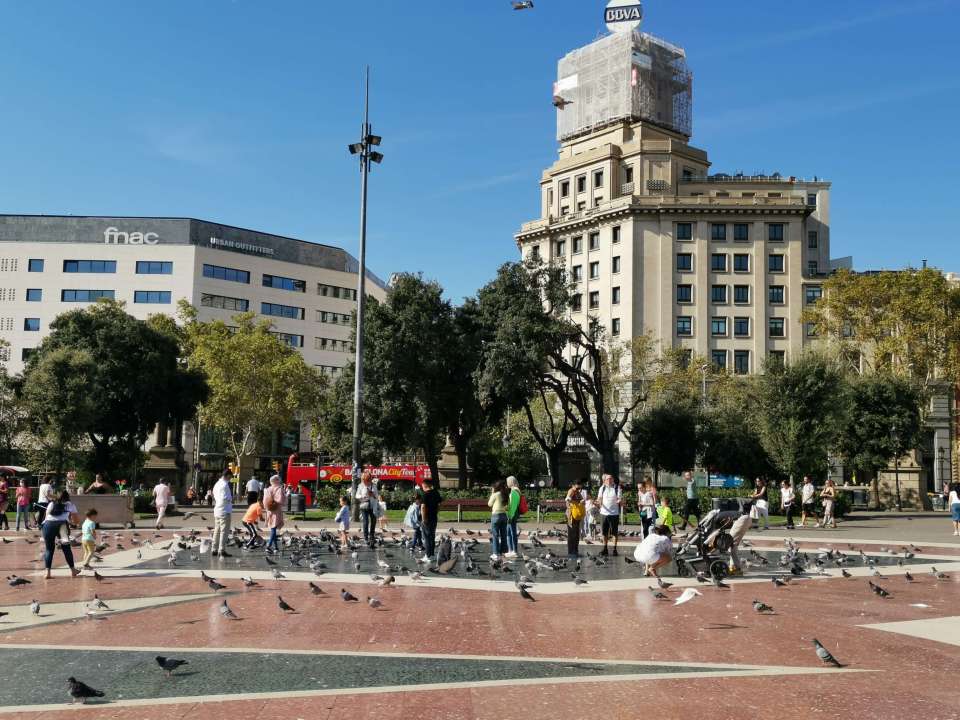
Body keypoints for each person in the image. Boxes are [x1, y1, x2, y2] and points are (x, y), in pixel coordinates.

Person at [41, 490, 81, 579]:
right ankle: (73, 570)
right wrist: (70, 522)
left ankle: (48, 573)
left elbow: (47, 516)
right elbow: (77, 521)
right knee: (66, 548)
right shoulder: (70, 505)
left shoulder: (52, 504)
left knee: (49, 549)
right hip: (62, 526)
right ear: (68, 497)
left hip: (48, 525)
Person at [596, 474, 622, 556]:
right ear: (605, 480)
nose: (609, 480)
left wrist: (619, 501)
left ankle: (614, 549)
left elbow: (619, 498)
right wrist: (599, 502)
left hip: (614, 513)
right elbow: (599, 498)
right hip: (604, 513)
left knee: (614, 532)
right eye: (607, 479)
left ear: (613, 480)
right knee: (604, 532)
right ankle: (605, 548)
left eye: (611, 479)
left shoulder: (617, 488)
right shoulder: (602, 488)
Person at [211, 469, 234, 557]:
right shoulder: (225, 485)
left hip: (217, 510)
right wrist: (231, 499)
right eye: (230, 476)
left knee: (217, 530)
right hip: (224, 510)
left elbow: (214, 495)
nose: (230, 478)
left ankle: (214, 549)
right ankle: (222, 550)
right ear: (227, 475)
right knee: (224, 531)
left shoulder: (217, 484)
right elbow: (225, 498)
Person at [262, 474, 287, 553]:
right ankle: (269, 545)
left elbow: (264, 501)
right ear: (277, 481)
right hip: (276, 510)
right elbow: (281, 500)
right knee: (274, 528)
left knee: (273, 527)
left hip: (269, 510)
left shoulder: (268, 489)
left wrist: (268, 507)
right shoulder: (279, 489)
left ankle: (276, 547)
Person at [487, 480, 510, 561]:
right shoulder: (505, 494)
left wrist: (492, 493)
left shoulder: (496, 494)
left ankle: (495, 553)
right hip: (504, 515)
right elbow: (507, 506)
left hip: (496, 516)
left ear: (496, 487)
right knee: (503, 535)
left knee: (495, 535)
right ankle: (503, 552)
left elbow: (489, 504)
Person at [355, 472, 379, 548]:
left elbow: (377, 496)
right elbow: (357, 495)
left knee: (373, 521)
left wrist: (373, 495)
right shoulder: (360, 486)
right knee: (366, 522)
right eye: (363, 480)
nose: (364, 482)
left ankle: (371, 536)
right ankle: (365, 537)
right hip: (364, 506)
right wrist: (362, 496)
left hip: (372, 506)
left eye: (365, 480)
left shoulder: (374, 486)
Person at [420, 480, 442, 560]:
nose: (422, 488)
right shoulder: (436, 493)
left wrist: (423, 518)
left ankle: (427, 555)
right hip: (434, 517)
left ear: (425, 485)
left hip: (427, 518)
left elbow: (423, 507)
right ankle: (432, 555)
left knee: (427, 537)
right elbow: (439, 505)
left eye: (422, 486)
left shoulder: (425, 494)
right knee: (432, 536)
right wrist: (436, 512)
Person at [727, 507, 753, 573]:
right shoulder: (748, 518)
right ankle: (733, 566)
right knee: (733, 549)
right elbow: (749, 526)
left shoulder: (743, 517)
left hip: (734, 536)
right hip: (738, 535)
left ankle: (735, 567)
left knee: (732, 549)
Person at [565, 483, 585, 559]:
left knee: (576, 534)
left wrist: (582, 501)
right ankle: (571, 552)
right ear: (573, 486)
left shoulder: (577, 492)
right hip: (571, 515)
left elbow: (581, 500)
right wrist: (569, 502)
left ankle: (575, 551)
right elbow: (567, 499)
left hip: (577, 515)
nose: (579, 490)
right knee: (572, 533)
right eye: (577, 488)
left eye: (580, 488)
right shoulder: (571, 491)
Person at [505, 476, 521, 558]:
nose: (507, 483)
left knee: (512, 533)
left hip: (512, 515)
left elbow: (513, 506)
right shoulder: (515, 490)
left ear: (511, 482)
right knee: (509, 533)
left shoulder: (514, 491)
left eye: (507, 482)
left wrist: (510, 516)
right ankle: (510, 550)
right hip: (512, 514)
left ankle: (514, 551)